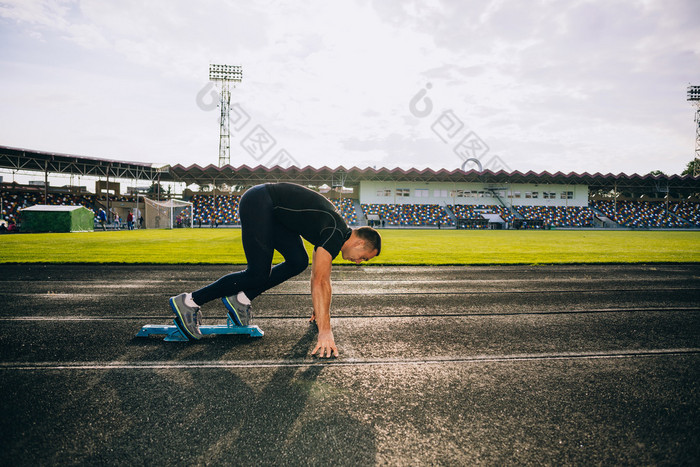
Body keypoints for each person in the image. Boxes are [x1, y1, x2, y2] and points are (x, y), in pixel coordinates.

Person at [169, 182, 381, 358]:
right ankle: (189, 302)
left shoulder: (336, 233)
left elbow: (319, 276)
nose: (359, 262)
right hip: (260, 202)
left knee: (298, 261)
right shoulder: (335, 233)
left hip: (274, 213)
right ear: (361, 244)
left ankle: (240, 300)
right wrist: (325, 331)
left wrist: (320, 310)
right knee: (257, 273)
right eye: (363, 257)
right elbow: (321, 282)